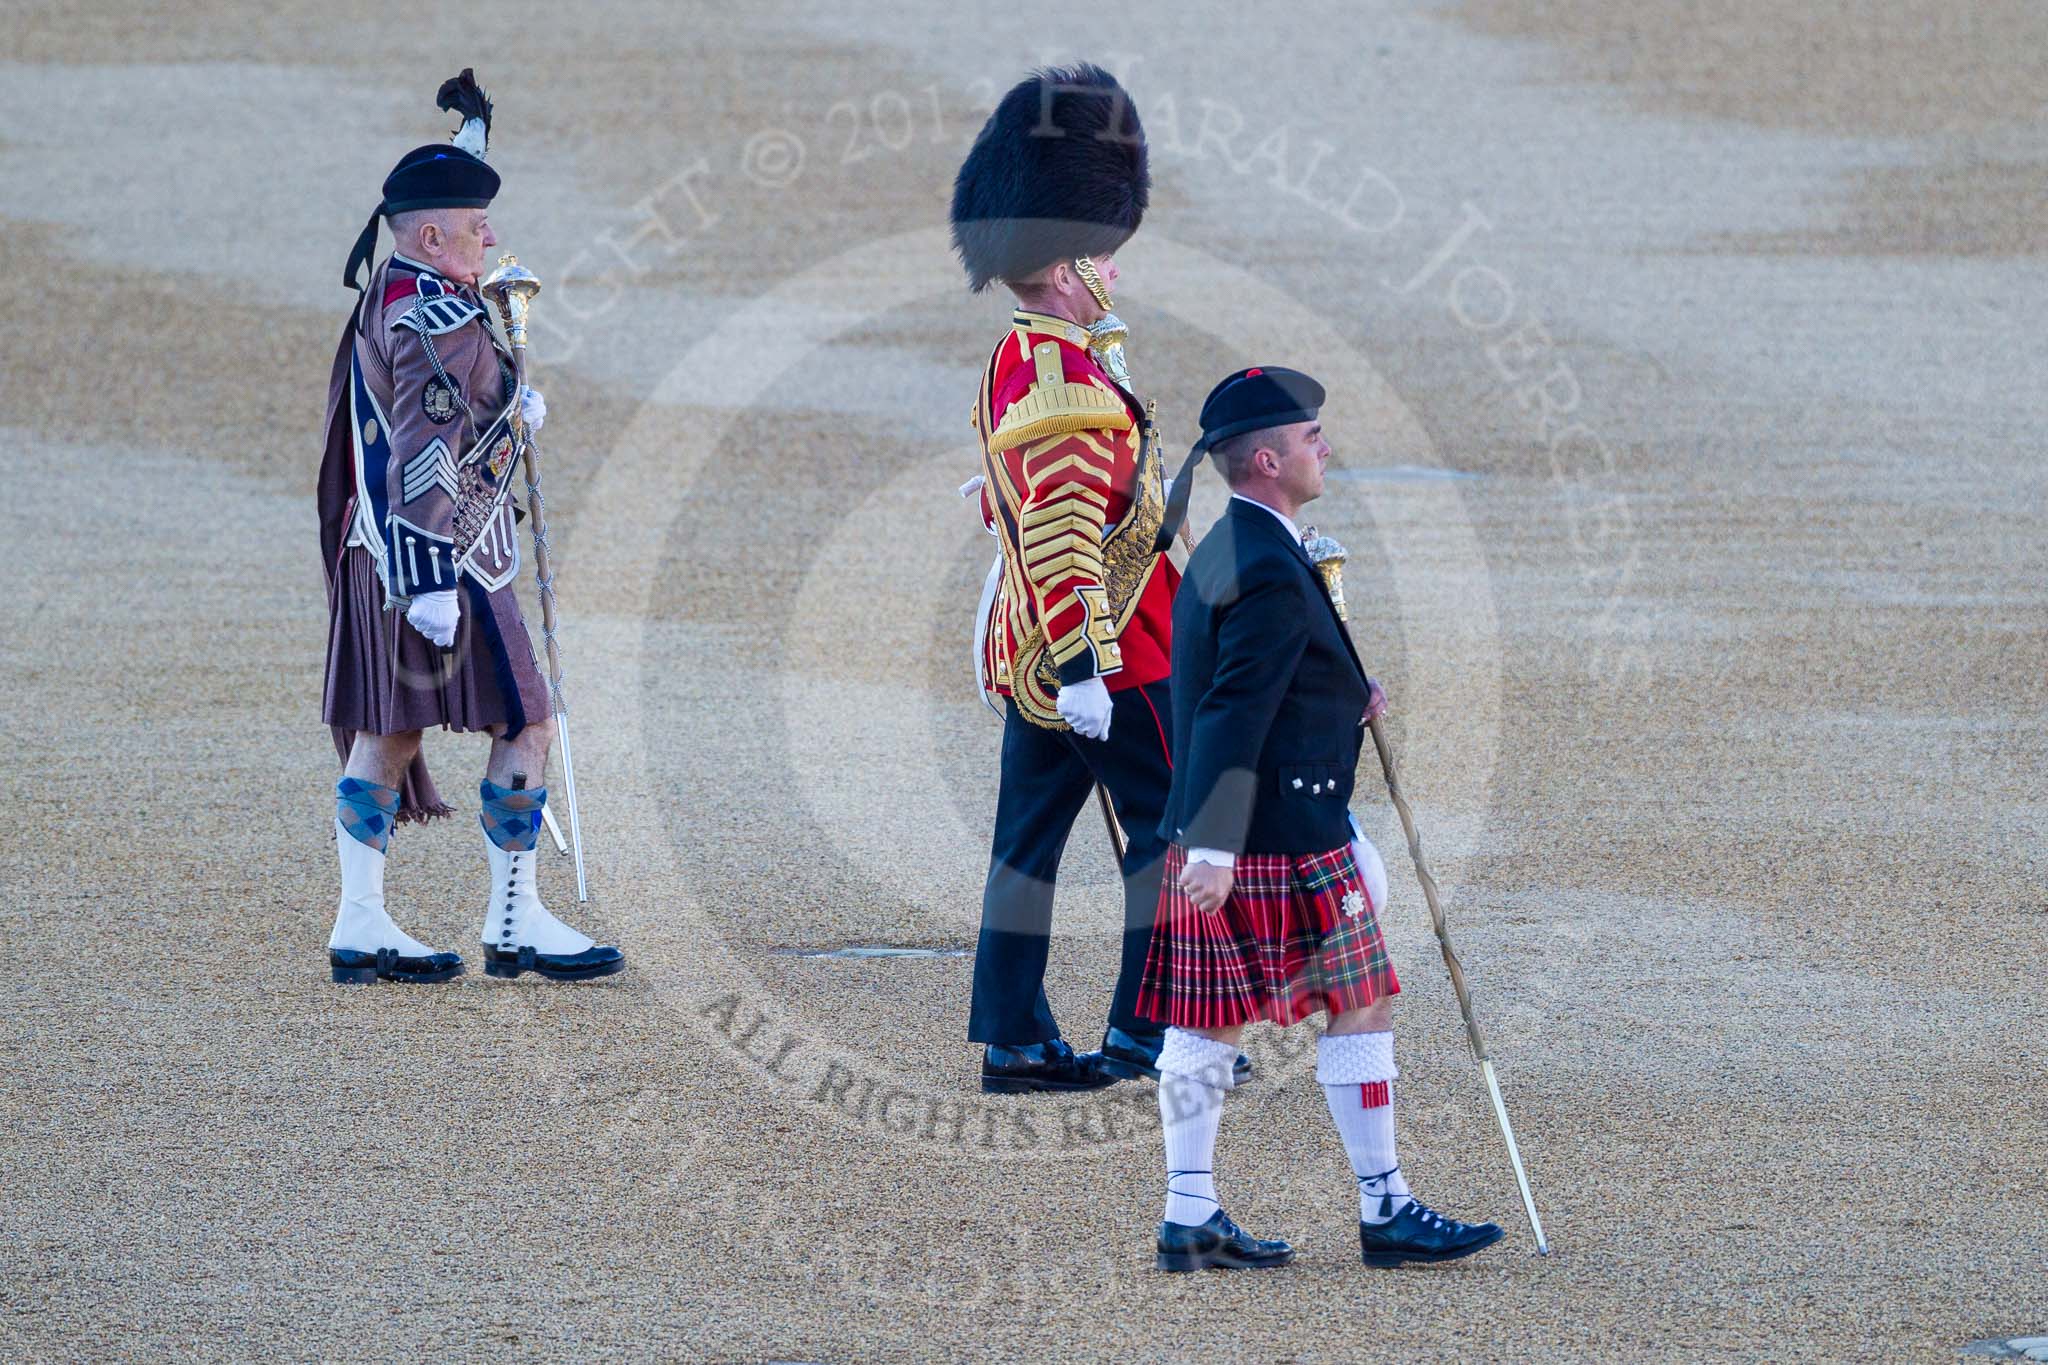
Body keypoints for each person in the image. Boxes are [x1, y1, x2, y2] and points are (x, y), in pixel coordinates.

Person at [1136, 366, 1502, 1270]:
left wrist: (1346, 696)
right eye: (1309, 438)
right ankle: (1385, 1209)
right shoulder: (1263, 562)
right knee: (1358, 1004)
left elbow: (1261, 677)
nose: (1324, 447)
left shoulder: (1235, 542)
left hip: (1242, 830)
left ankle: (1191, 1215)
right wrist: (1217, 845)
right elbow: (1230, 706)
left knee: (1206, 1020)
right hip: (1276, 835)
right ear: (1266, 459)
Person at [951, 65, 1245, 1093]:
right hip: (1107, 643)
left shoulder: (1023, 354)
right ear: (1074, 261)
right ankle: (1148, 1031)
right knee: (1171, 837)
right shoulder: (1066, 379)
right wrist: (1085, 665)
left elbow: (1023, 506)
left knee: (1026, 846)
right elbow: (1068, 532)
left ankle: (1017, 1038)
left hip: (1043, 641)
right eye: (1104, 257)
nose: (1113, 274)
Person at [316, 70, 621, 984]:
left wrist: (506, 411)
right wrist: (431, 578)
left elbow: (434, 426)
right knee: (526, 719)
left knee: (391, 730)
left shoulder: (397, 293)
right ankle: (515, 921)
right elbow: (421, 447)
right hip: (445, 559)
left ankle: (362, 923)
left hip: (401, 556)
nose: (490, 236)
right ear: (432, 234)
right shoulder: (441, 315)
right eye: (475, 225)